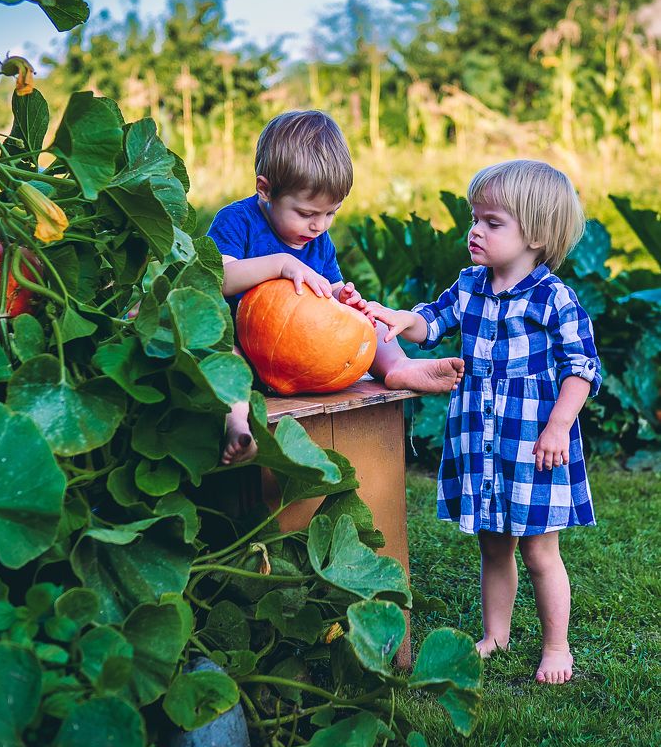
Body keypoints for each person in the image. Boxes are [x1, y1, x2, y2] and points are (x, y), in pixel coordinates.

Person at [363, 160, 600, 685]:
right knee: (493, 543)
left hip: (534, 441)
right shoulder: (471, 284)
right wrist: (403, 320)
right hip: (483, 438)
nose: (475, 230)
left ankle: (556, 646)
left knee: (539, 549)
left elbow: (581, 368)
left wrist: (559, 426)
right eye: (475, 219)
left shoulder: (553, 298)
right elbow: (434, 321)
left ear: (535, 235)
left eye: (492, 222)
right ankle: (496, 634)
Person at [207, 110, 464, 464]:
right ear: (265, 189)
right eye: (306, 213)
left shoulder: (318, 240)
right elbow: (219, 277)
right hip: (244, 342)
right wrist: (280, 264)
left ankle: (398, 367)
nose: (319, 225)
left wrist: (345, 299)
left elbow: (332, 293)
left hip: (302, 354)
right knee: (223, 357)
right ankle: (238, 426)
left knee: (370, 321)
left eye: (331, 213)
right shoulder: (237, 221)